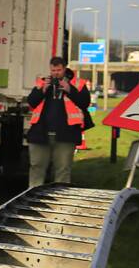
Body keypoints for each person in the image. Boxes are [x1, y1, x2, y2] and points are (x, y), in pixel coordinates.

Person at [27, 56, 91, 187]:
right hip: (41, 133)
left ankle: (60, 198)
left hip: (66, 134)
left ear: (65, 68)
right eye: (53, 70)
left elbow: (85, 103)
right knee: (36, 166)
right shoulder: (43, 83)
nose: (56, 73)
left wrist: (69, 89)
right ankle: (33, 195)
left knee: (63, 169)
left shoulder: (77, 83)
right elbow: (32, 101)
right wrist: (43, 90)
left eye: (59, 70)